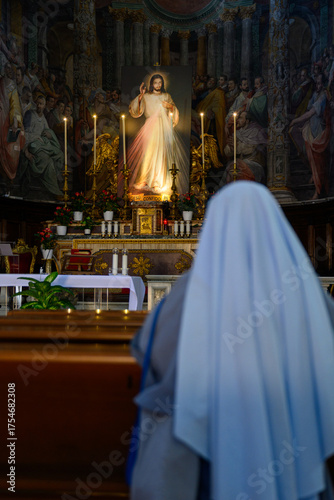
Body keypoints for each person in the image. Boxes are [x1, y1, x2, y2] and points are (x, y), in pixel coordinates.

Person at [129, 181, 334, 500]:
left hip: (205, 449)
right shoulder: (308, 293)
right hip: (292, 437)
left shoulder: (189, 293)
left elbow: (151, 351)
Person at [126, 73, 188, 195]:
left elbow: (174, 110)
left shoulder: (166, 95)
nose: (158, 85)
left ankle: (157, 181)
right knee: (148, 152)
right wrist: (140, 96)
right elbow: (136, 110)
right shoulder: (147, 96)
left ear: (162, 84)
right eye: (155, 83)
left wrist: (170, 106)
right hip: (150, 126)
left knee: (161, 153)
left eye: (160, 83)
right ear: (152, 84)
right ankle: (145, 179)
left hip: (162, 126)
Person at [289, 73, 330, 199]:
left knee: (318, 161)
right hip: (311, 129)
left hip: (319, 132)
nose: (318, 86)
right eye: (316, 83)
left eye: (320, 83)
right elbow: (308, 112)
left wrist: (296, 121)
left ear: (324, 84)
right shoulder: (315, 95)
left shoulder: (323, 96)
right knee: (310, 156)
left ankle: (318, 191)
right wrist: (301, 123)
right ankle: (314, 176)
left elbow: (311, 113)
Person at [18, 95, 64, 196]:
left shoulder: (43, 117)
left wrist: (49, 135)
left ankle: (57, 178)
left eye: (41, 104)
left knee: (59, 154)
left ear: (44, 106)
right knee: (48, 161)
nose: (39, 106)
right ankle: (54, 190)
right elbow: (24, 132)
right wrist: (26, 150)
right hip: (32, 145)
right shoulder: (30, 114)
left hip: (41, 144)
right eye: (37, 103)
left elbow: (46, 130)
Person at [223, 110, 267, 183]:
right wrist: (231, 147)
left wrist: (236, 146)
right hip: (240, 163)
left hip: (254, 163)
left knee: (238, 168)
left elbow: (251, 149)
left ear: (247, 120)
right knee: (231, 169)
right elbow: (227, 152)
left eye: (240, 118)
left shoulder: (255, 131)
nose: (237, 120)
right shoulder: (237, 133)